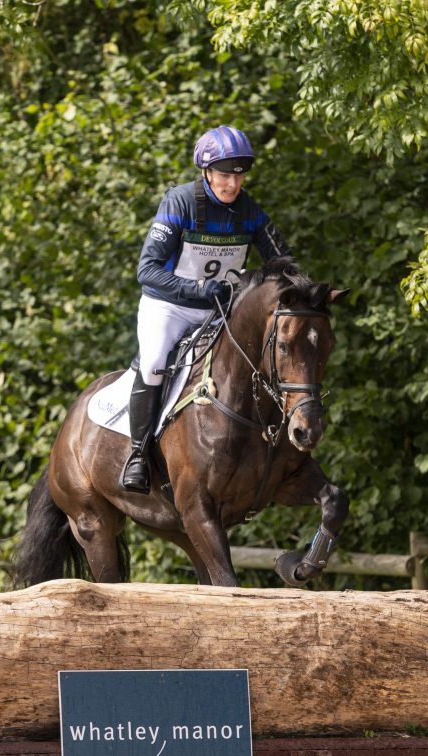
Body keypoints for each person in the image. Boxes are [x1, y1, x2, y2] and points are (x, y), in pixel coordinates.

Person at [121, 124, 292, 494]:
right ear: (206, 172)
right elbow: (146, 270)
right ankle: (137, 455)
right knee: (153, 363)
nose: (233, 183)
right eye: (225, 174)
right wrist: (198, 288)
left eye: (239, 174)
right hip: (170, 307)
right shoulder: (180, 202)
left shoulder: (249, 210)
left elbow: (283, 262)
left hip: (219, 310)